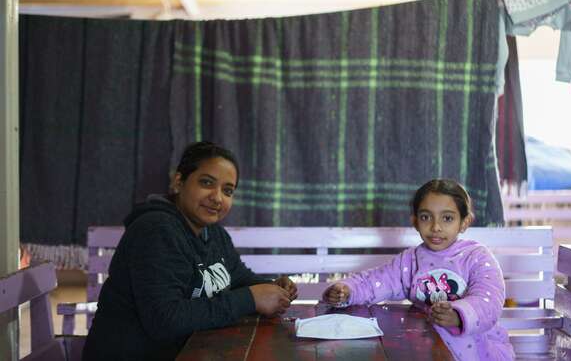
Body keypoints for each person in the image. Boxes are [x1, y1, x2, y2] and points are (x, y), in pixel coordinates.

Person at [83, 141, 297, 361]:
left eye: (227, 190)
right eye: (206, 183)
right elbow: (165, 320)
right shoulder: (156, 231)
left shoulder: (213, 233)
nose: (217, 197)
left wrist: (272, 287)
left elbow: (238, 277)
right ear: (179, 182)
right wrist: (251, 298)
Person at [322, 178, 515, 361]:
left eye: (447, 218)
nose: (435, 227)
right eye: (426, 217)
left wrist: (458, 315)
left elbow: (489, 300)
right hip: (425, 348)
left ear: (464, 222)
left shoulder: (477, 257)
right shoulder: (410, 261)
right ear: (415, 221)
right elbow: (375, 281)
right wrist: (346, 291)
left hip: (475, 350)